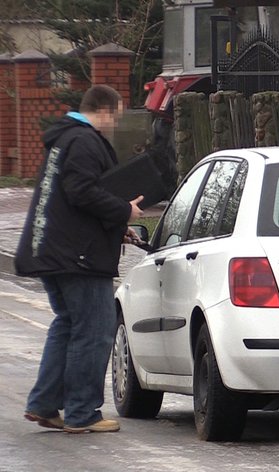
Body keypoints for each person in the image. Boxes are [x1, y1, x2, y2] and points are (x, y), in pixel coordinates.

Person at [16, 84, 144, 434]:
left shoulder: (64, 138)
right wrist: (123, 210)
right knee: (94, 331)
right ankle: (81, 412)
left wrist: (115, 227)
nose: (115, 123)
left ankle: (44, 404)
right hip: (79, 257)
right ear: (104, 109)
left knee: (68, 325)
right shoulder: (84, 140)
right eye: (116, 115)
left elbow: (70, 199)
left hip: (55, 249)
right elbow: (82, 191)